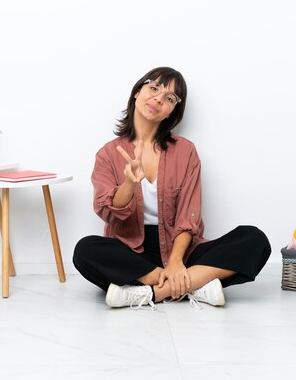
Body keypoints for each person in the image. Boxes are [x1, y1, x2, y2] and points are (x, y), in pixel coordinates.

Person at [73, 67, 271, 309]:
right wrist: (128, 184)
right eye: (154, 88)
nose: (158, 98)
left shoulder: (185, 151)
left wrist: (176, 261)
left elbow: (190, 216)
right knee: (85, 250)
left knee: (254, 239)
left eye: (169, 98)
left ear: (171, 112)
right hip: (131, 251)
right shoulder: (108, 154)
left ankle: (149, 293)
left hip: (182, 251)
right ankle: (194, 285)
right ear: (137, 92)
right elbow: (106, 210)